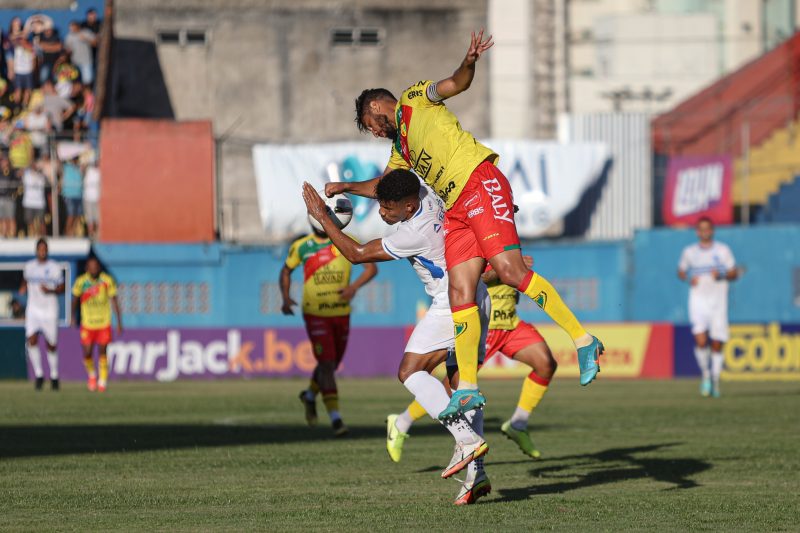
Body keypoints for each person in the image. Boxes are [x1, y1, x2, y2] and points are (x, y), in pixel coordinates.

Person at [327, 30, 603, 421]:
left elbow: (455, 83)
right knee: (461, 290)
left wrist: (469, 61)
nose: (372, 131)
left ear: (375, 107)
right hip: (455, 206)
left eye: (368, 124)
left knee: (509, 271)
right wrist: (347, 187)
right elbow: (384, 187)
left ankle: (583, 339)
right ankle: (468, 389)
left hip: (478, 181)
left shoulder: (412, 99)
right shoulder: (401, 148)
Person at [303, 170, 492, 504]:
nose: (381, 212)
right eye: (381, 204)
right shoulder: (426, 194)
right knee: (460, 385)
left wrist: (323, 217)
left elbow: (357, 254)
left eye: (388, 209)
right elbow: (382, 188)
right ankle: (477, 475)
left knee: (410, 371)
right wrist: (347, 187)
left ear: (407, 208)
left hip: (452, 302)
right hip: (477, 291)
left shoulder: (412, 234)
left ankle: (467, 440)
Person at [388, 255, 559, 469]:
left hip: (510, 323)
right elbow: (473, 277)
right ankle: (402, 422)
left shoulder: (504, 236)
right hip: (484, 326)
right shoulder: (476, 237)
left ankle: (518, 423)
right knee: (455, 388)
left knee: (546, 365)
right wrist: (508, 268)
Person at [280, 223, 378, 437]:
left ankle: (308, 396)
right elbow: (286, 271)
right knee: (326, 364)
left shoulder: (345, 241)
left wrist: (353, 288)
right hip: (315, 313)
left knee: (331, 365)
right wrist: (286, 298)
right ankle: (336, 419)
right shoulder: (302, 246)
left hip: (341, 313)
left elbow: (371, 268)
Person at [678, 217, 738, 398]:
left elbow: (734, 273)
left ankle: (716, 380)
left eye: (708, 229)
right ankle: (705, 375)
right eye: (701, 229)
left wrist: (721, 274)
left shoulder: (723, 250)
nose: (704, 232)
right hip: (698, 300)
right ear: (697, 232)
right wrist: (688, 278)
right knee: (701, 341)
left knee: (717, 343)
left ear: (712, 231)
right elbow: (681, 271)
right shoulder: (690, 252)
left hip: (718, 302)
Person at [71, 256, 122, 392]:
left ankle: (103, 382)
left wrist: (119, 321)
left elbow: (114, 300)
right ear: (87, 268)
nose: (94, 269)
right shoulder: (81, 282)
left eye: (96, 266)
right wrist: (72, 317)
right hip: (88, 323)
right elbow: (75, 299)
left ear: (99, 267)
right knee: (87, 353)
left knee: (102, 351)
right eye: (91, 266)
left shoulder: (107, 280)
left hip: (103, 322)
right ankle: (92, 375)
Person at [20, 238, 65, 390]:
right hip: (33, 310)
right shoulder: (29, 267)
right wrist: (23, 289)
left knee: (51, 344)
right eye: (40, 249)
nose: (42, 251)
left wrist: (50, 290)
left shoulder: (54, 267)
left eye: (44, 249)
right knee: (31, 339)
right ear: (36, 250)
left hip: (49, 310)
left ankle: (54, 375)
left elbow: (62, 288)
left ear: (47, 250)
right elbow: (24, 282)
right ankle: (39, 375)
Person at [64, 22, 95, 86]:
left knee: (87, 81)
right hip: (74, 62)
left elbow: (95, 43)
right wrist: (68, 51)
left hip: (86, 61)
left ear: (77, 26)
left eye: (73, 27)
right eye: (70, 27)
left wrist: (86, 39)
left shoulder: (86, 33)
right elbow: (66, 48)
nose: (71, 29)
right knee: (74, 81)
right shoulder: (69, 36)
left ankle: (87, 94)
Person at [22, 164, 47, 236]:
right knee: (29, 221)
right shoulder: (26, 175)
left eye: (35, 166)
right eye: (32, 167)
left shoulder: (42, 176)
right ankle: (33, 235)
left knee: (41, 221)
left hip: (40, 203)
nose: (34, 168)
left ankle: (42, 236)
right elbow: (20, 173)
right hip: (28, 202)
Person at [61, 157, 83, 235]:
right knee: (71, 215)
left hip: (79, 195)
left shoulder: (80, 167)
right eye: (74, 159)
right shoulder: (66, 166)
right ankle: (67, 232)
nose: (76, 160)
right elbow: (59, 163)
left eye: (77, 159)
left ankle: (72, 232)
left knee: (77, 216)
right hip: (69, 195)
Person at [0, 156, 18, 237]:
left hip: (9, 198)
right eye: (2, 161)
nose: (4, 163)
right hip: (1, 198)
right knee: (2, 218)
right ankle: (3, 234)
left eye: (5, 161)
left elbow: (16, 184)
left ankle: (12, 235)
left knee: (11, 218)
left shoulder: (12, 172)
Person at [83, 160, 100, 238]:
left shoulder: (101, 172)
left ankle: (96, 234)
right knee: (90, 218)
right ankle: (91, 235)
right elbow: (83, 168)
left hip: (97, 199)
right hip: (88, 198)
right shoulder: (89, 169)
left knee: (97, 218)